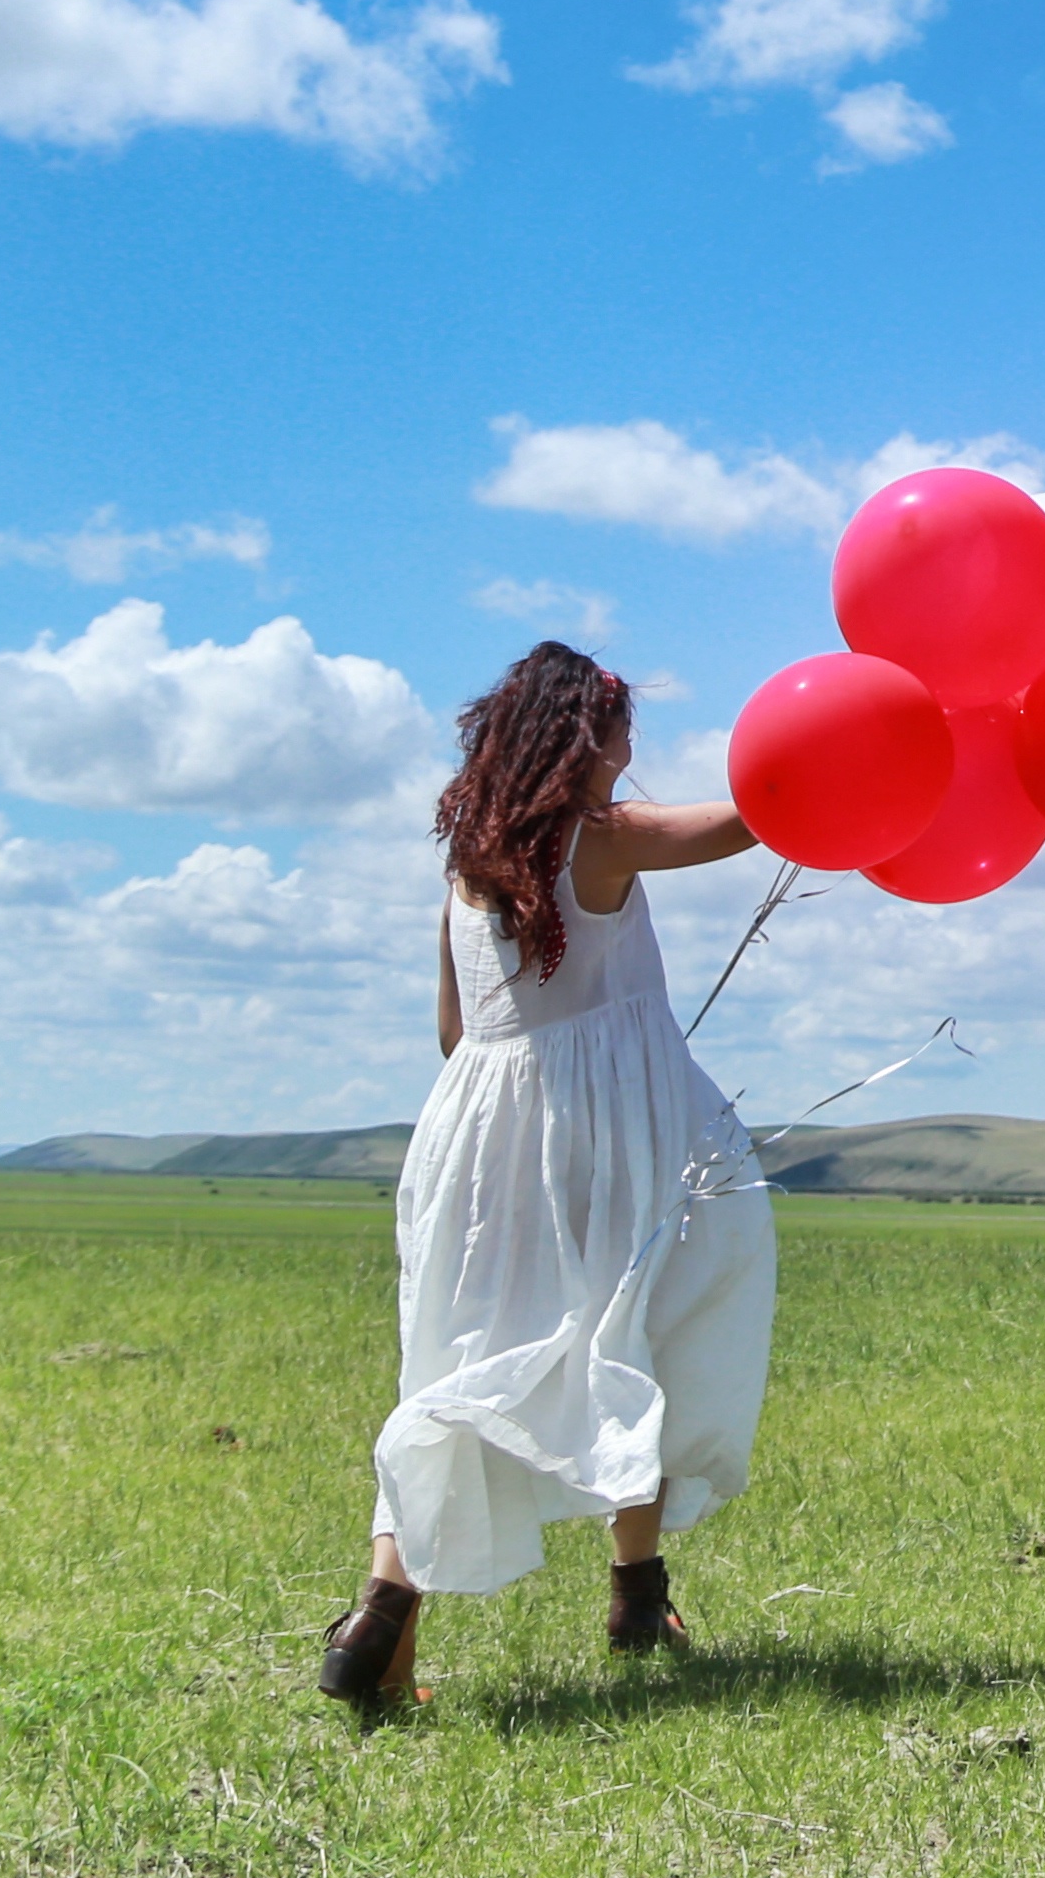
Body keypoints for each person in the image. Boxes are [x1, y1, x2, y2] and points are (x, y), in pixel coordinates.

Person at [316, 641, 779, 1718]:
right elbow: (760, 816)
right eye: (620, 728)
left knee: (469, 1357)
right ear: (584, 739)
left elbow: (452, 1031)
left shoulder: (466, 866)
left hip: (474, 1143)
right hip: (610, 1134)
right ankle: (634, 1587)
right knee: (654, 1322)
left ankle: (382, 1621)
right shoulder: (604, 840)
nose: (631, 749)